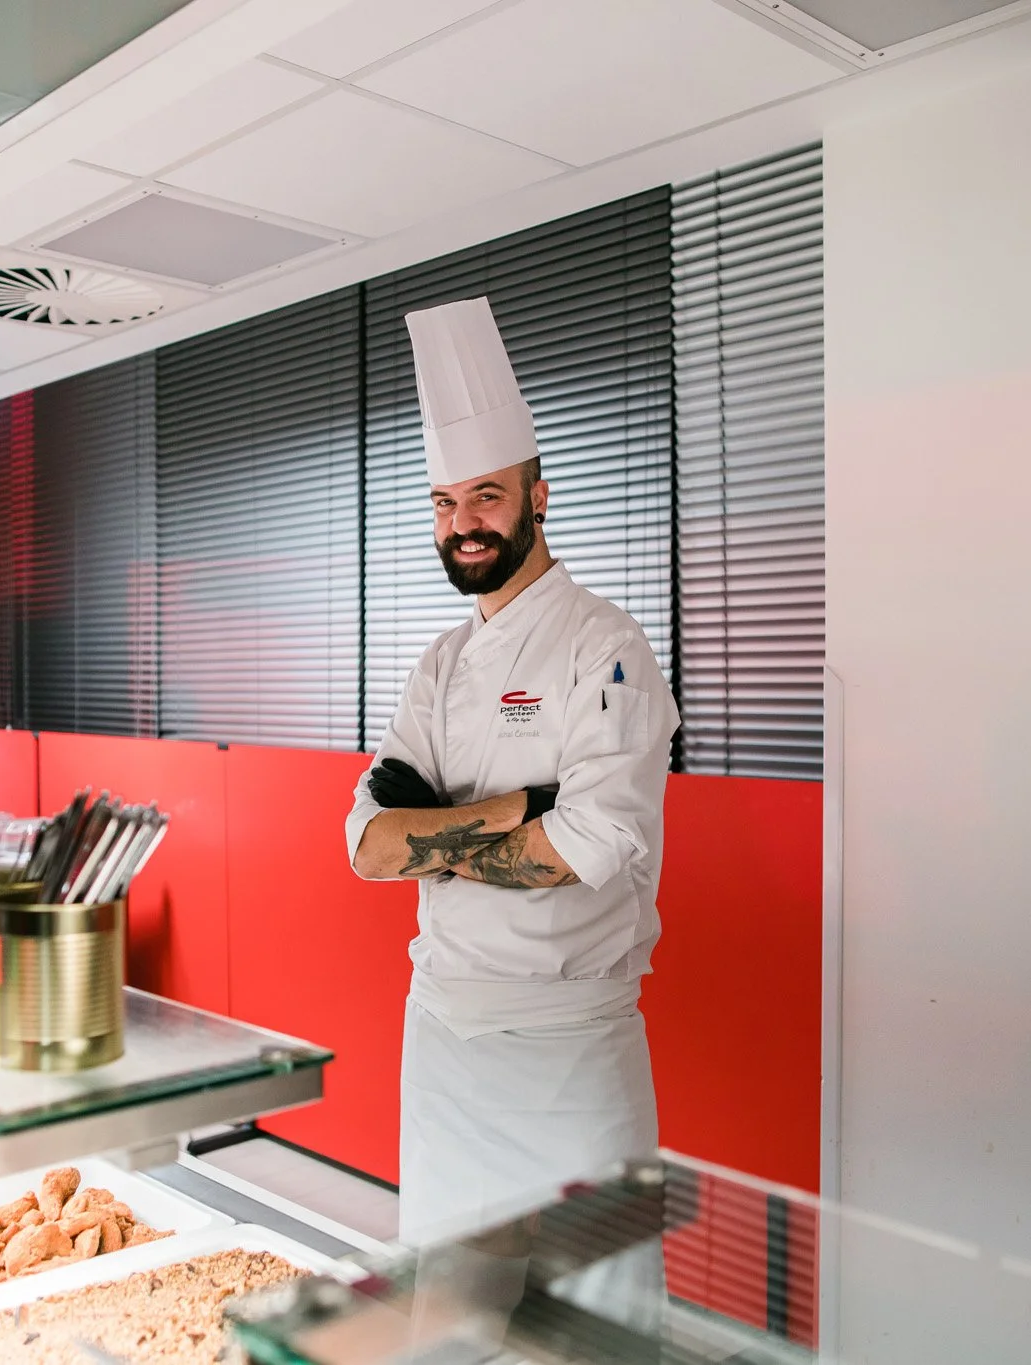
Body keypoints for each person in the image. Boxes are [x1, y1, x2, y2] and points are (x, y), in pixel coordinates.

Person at [345, 297, 680, 1272]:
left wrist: (437, 840)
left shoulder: (603, 648)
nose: (462, 524)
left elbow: (578, 852)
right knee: (450, 1305)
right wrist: (508, 812)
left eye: (484, 497)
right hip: (441, 1027)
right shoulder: (440, 665)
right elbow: (366, 847)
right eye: (444, 504)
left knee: (588, 1314)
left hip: (564, 1043)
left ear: (538, 496)